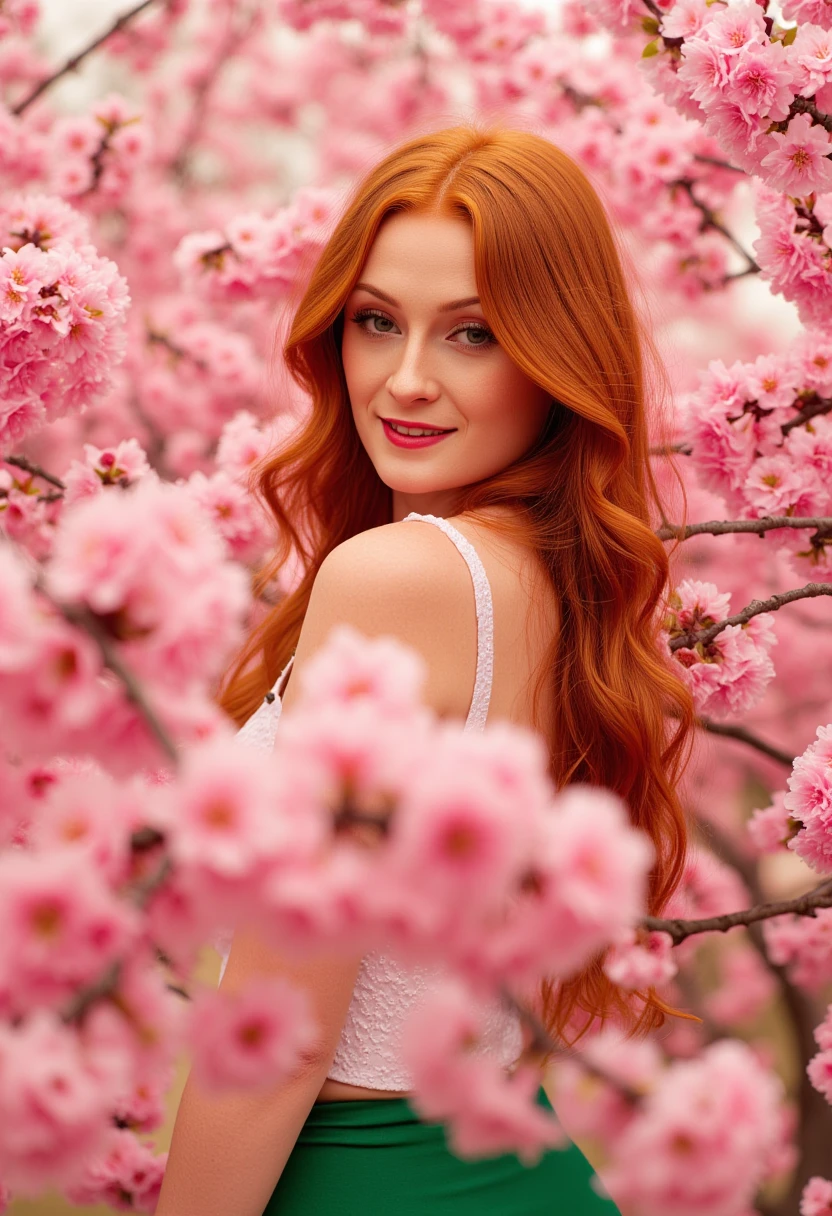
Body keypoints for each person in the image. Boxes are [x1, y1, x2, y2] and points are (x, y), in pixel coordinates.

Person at [155, 122, 694, 1216]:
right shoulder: (560, 586)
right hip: (517, 1165)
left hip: (370, 1179)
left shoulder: (399, 576)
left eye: (473, 335)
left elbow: (278, 1046)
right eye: (374, 322)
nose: (404, 381)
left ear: (558, 354)